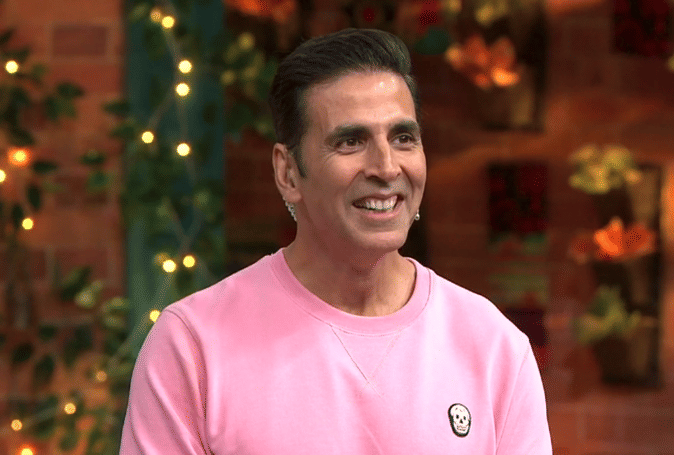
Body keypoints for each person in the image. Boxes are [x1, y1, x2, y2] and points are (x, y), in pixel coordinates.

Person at [120, 28, 552, 454]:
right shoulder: (192, 345)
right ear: (288, 173)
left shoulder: (493, 345)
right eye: (350, 141)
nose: (386, 167)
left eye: (403, 138)